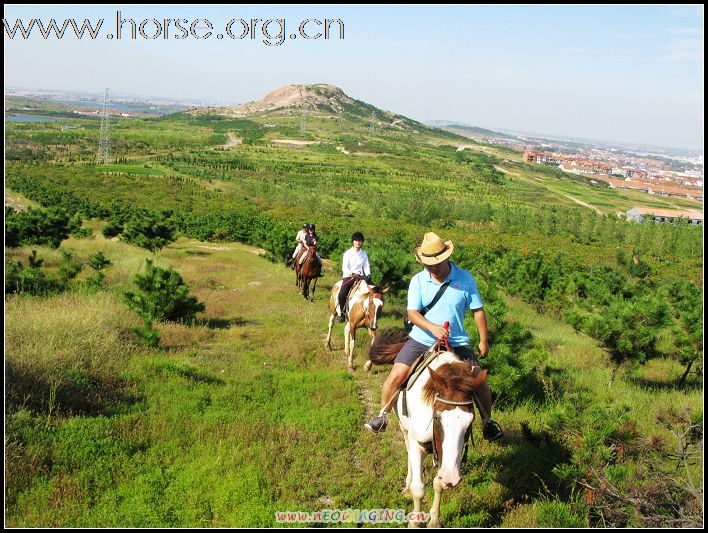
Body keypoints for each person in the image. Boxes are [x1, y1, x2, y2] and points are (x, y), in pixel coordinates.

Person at [364, 232, 503, 442]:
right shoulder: (418, 280)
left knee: (479, 381)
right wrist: (432, 328)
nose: (433, 267)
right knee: (397, 375)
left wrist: (483, 340)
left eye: (437, 262)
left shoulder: (465, 279)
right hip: (422, 338)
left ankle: (487, 422)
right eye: (429, 263)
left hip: (457, 342)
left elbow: (478, 310)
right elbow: (413, 313)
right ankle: (382, 415)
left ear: (447, 257)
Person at [337, 231, 371, 322]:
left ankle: (371, 313)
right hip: (350, 276)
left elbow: (366, 265)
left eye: (360, 241)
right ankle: (342, 313)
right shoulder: (348, 253)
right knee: (342, 294)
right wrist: (352, 274)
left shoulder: (364, 254)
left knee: (373, 291)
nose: (358, 242)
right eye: (356, 240)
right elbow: (344, 267)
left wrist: (367, 275)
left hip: (361, 277)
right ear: (353, 241)